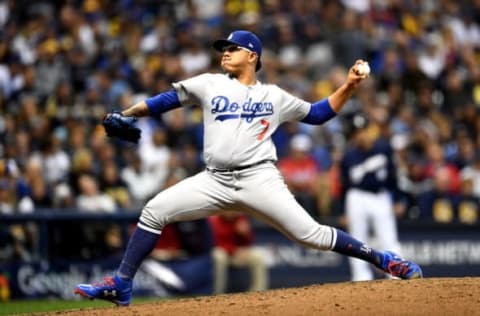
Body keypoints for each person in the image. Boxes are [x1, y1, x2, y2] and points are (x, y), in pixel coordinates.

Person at [74, 30, 422, 306]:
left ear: (252, 55)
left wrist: (348, 86)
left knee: (312, 236)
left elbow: (317, 114)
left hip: (259, 178)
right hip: (214, 180)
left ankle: (384, 259)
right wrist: (127, 114)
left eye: (233, 48)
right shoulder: (210, 83)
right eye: (223, 48)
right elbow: (165, 100)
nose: (224, 52)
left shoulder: (274, 95)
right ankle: (121, 284)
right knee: (153, 211)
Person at [340, 113, 403, 281]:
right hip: (357, 197)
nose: (361, 135)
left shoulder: (384, 148)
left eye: (363, 130)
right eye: (357, 132)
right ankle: (361, 278)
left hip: (380, 196)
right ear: (353, 136)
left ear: (370, 130)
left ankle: (396, 275)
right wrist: (342, 210)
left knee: (388, 238)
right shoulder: (348, 156)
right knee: (356, 241)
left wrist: (396, 199)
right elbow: (343, 185)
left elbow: (392, 176)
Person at [210, 212, 267, 294]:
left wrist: (244, 235)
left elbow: (248, 242)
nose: (231, 212)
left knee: (257, 255)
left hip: (237, 255)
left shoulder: (240, 219)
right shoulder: (214, 220)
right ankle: (217, 293)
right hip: (225, 254)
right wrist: (234, 250)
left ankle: (258, 292)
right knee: (219, 255)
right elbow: (215, 243)